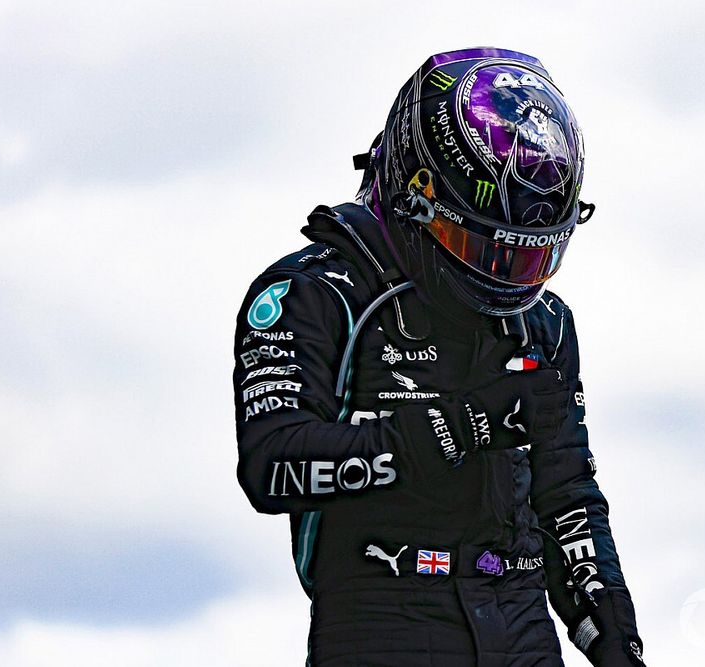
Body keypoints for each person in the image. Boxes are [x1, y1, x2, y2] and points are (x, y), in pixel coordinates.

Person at [233, 47, 646, 666]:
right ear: (417, 196)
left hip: (521, 617)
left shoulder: (544, 323)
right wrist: (462, 426)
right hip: (382, 617)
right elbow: (271, 468)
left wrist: (612, 631)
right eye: (479, 246)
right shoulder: (313, 294)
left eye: (529, 257)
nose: (503, 275)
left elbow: (568, 494)